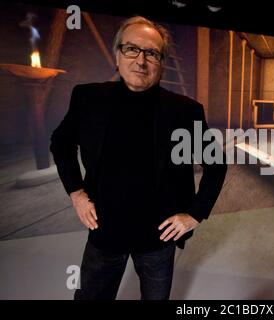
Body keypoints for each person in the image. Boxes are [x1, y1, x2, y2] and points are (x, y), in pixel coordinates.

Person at [50, 16, 227, 300]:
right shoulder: (87, 98)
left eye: (152, 53)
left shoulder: (185, 111)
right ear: (117, 53)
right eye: (132, 48)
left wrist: (195, 214)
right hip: (104, 231)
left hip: (158, 239)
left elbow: (216, 164)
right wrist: (76, 192)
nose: (141, 61)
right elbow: (61, 142)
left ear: (161, 62)